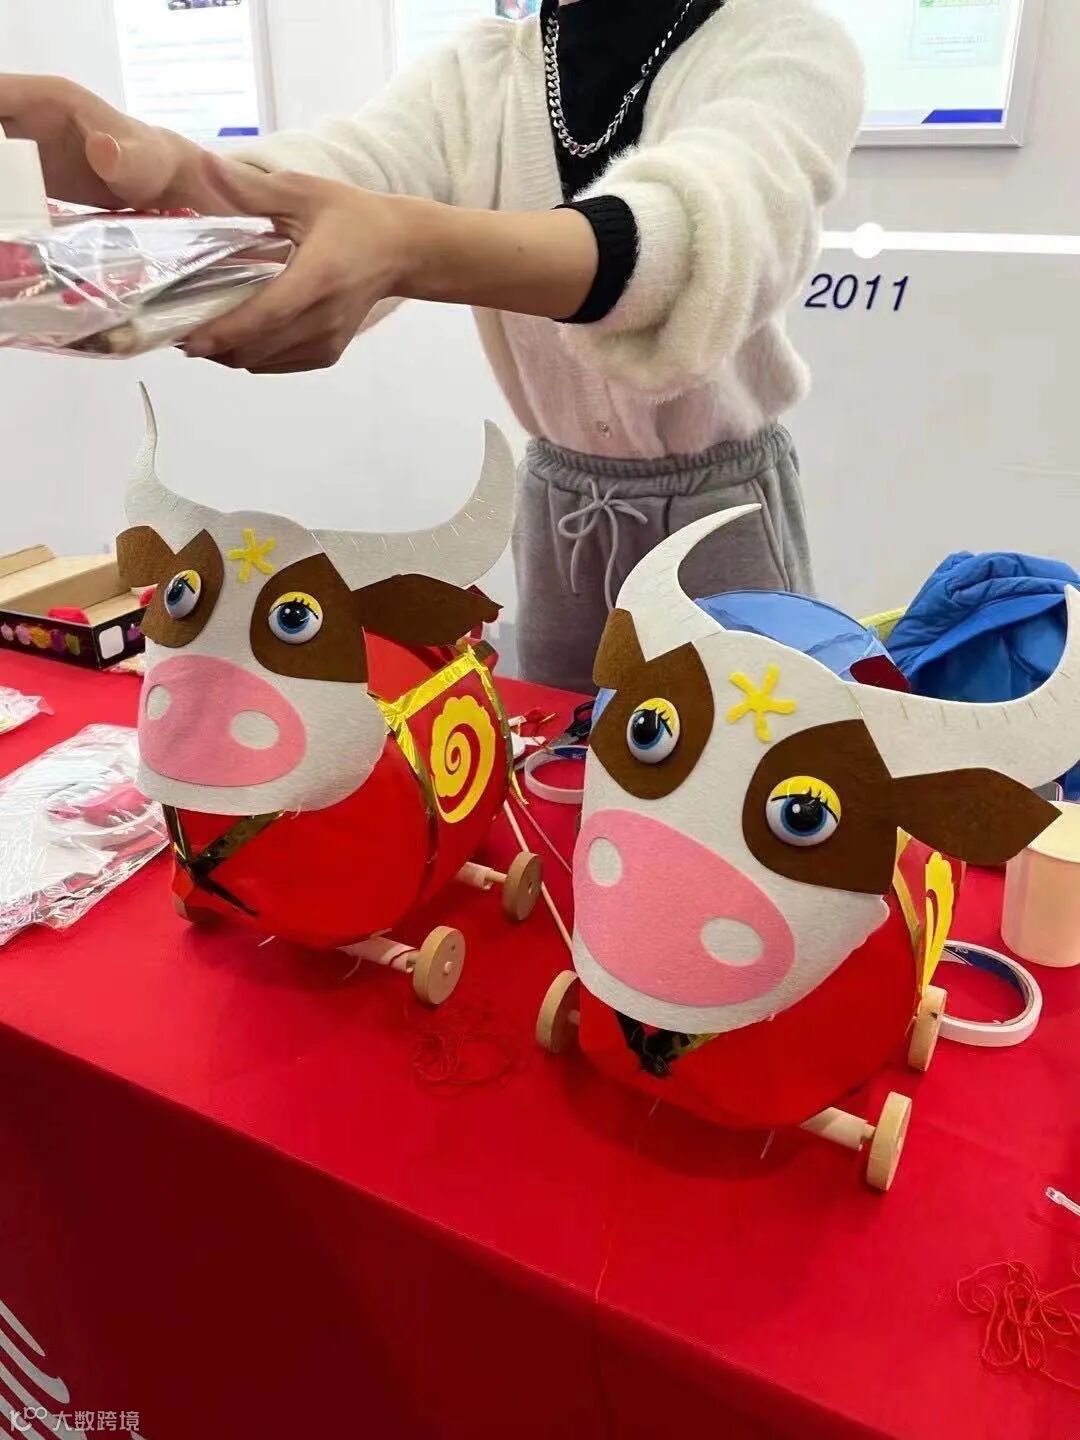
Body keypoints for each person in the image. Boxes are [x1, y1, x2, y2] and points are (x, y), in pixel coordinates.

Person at [0, 0, 864, 692]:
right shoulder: (481, 72)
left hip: (719, 514)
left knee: (745, 783)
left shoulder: (787, 43)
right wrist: (162, 169)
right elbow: (344, 172)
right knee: (564, 781)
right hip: (560, 512)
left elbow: (709, 225)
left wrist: (409, 245)